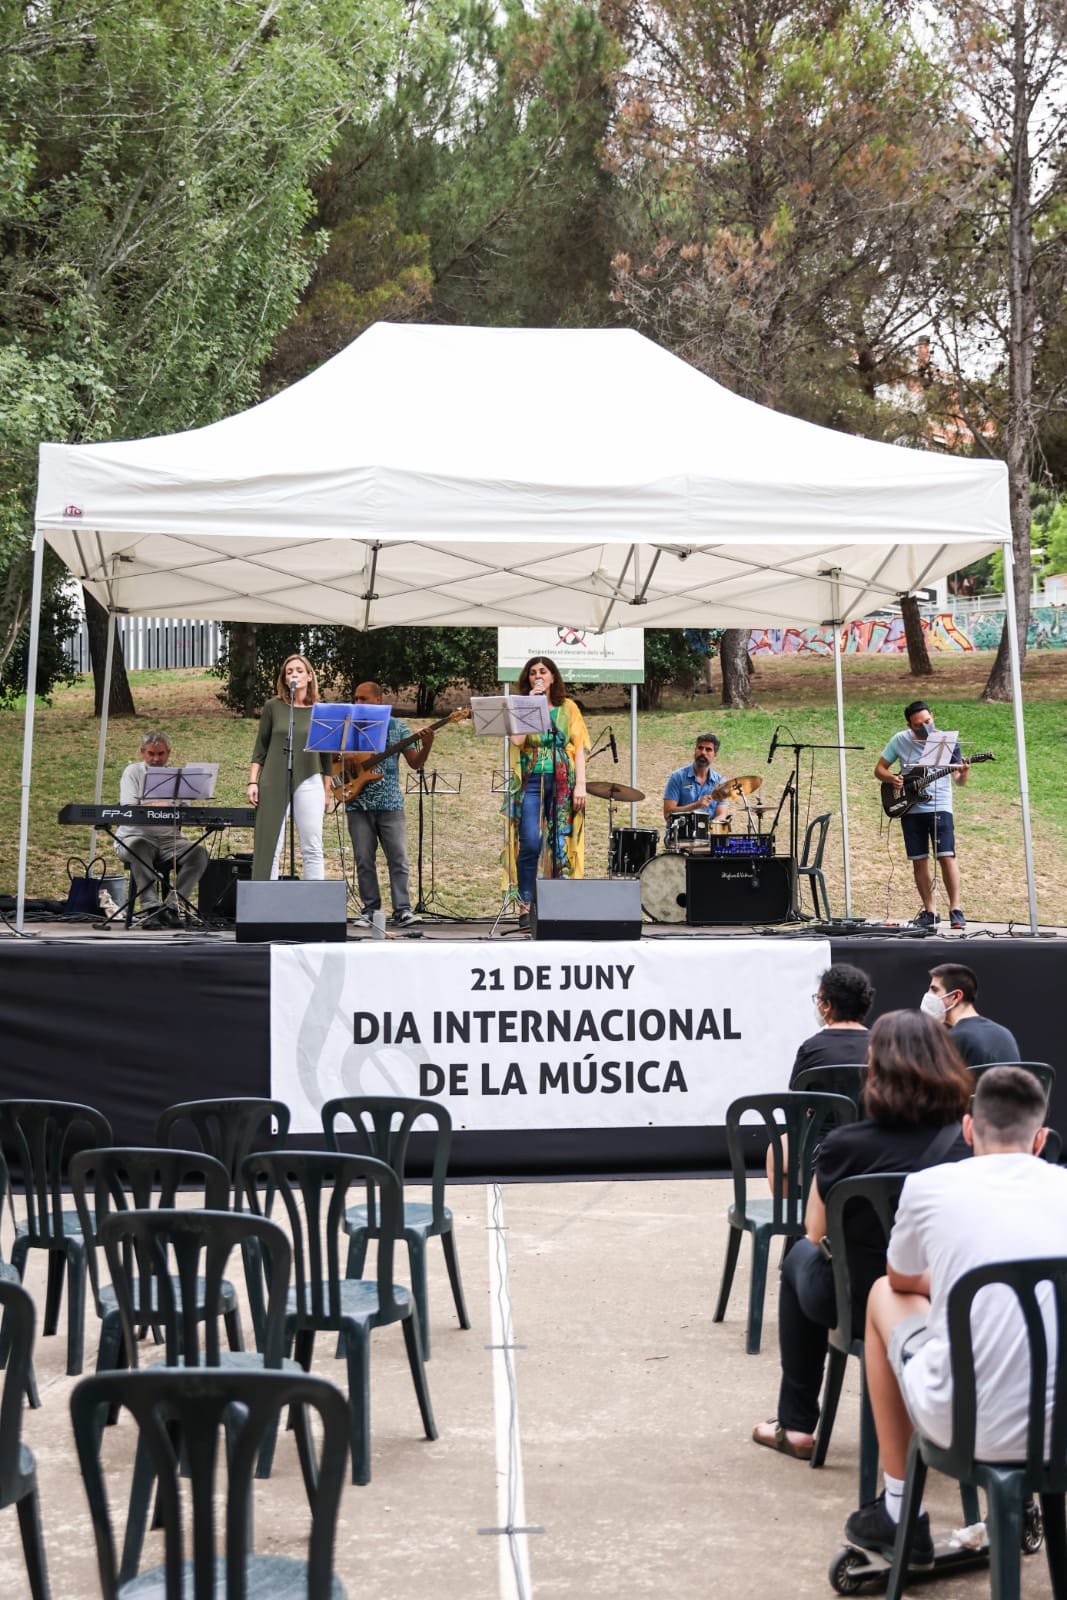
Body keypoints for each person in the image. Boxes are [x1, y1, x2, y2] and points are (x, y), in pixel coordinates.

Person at [843, 1066, 1067, 1566]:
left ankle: (900, 1507)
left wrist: (957, 1281)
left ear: (968, 1130)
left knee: (882, 1292)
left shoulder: (928, 1188)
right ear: (1042, 1138)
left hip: (964, 1427)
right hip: (1059, 1426)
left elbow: (901, 1279)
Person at [751, 1010, 972, 1461]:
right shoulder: (966, 1142)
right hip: (955, 1299)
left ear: (876, 1071)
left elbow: (814, 1231)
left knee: (797, 1259)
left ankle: (795, 1424)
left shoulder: (846, 1144)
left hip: (853, 1302)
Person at [504, 657, 589, 933]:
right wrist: (530, 705)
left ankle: (559, 905)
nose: (537, 676)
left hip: (563, 779)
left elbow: (580, 748)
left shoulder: (569, 708)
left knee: (560, 840)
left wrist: (581, 785)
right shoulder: (522, 704)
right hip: (531, 779)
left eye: (543, 671)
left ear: (553, 677)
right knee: (530, 841)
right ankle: (525, 906)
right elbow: (517, 741)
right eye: (532, 673)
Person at [874, 700, 969, 930]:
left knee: (946, 856)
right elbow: (879, 769)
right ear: (909, 725)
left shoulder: (947, 741)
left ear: (932, 716)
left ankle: (955, 909)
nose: (924, 727)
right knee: (919, 861)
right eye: (918, 725)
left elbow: (959, 780)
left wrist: (964, 772)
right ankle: (930, 911)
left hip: (940, 804)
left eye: (927, 722)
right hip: (911, 806)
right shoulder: (900, 740)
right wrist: (892, 779)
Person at [344, 681, 432, 928]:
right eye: (356, 698)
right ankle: (371, 910)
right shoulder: (348, 727)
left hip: (390, 802)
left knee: (398, 858)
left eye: (363, 698)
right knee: (363, 859)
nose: (358, 703)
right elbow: (328, 757)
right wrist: (342, 754)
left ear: (378, 700)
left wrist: (427, 745)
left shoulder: (398, 727)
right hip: (356, 802)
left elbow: (416, 764)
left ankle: (402, 910)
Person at [248, 655, 333, 881]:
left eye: (299, 670)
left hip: (311, 778)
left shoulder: (320, 710)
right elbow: (260, 748)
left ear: (309, 676)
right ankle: (267, 905)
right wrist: (253, 781)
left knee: (312, 844)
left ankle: (315, 908)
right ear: (285, 680)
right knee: (271, 845)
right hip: (274, 777)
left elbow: (327, 757)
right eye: (289, 672)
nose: (294, 674)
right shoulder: (273, 707)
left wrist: (326, 790)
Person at [115, 729, 210, 928]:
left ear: (169, 753)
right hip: (135, 836)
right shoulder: (133, 772)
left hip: (170, 840)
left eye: (161, 754)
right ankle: (151, 909)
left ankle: (171, 907)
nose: (156, 758)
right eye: (151, 754)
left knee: (198, 853)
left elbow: (186, 811)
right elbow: (128, 808)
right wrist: (154, 806)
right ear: (142, 752)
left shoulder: (177, 778)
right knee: (138, 846)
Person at [789, 963, 875, 1086]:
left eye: (818, 998)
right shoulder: (879, 1047)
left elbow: (793, 1100)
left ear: (827, 1005)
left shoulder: (811, 1049)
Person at [920, 962, 1021, 1067]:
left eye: (934, 989)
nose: (928, 995)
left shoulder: (952, 1040)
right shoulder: (1005, 1034)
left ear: (955, 996)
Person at [662, 734, 729, 837]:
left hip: (708, 837)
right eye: (700, 748)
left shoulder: (720, 783)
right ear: (695, 750)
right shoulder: (677, 777)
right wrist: (696, 805)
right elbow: (667, 813)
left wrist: (709, 829)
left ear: (715, 754)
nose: (703, 752)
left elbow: (721, 814)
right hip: (679, 837)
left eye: (708, 750)